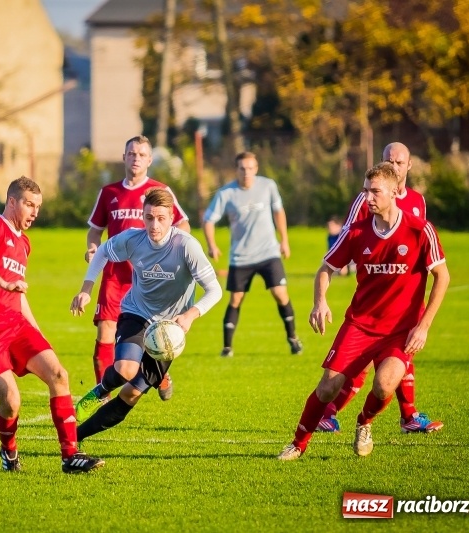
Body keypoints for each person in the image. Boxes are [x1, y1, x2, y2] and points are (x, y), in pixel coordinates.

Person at [277, 162, 450, 460]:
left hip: (400, 330)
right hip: (359, 325)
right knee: (328, 388)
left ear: (396, 191)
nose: (368, 198)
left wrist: (423, 326)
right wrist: (320, 302)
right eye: (365, 191)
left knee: (384, 386)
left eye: (375, 192)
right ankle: (297, 444)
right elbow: (325, 269)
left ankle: (364, 422)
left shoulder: (420, 230)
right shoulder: (356, 232)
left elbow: (442, 277)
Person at [0, 176, 104, 474]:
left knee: (59, 374)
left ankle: (70, 456)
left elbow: (19, 295)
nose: (34, 211)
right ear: (11, 202)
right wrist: (1, 281)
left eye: (38, 206)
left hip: (16, 325)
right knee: (11, 402)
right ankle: (8, 451)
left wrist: (37, 332)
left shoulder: (25, 243)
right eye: (29, 204)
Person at [71, 187, 222, 442]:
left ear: (172, 218)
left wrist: (190, 315)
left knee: (131, 393)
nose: (154, 225)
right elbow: (103, 252)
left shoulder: (186, 246)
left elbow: (215, 289)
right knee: (125, 369)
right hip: (136, 312)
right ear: (143, 216)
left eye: (161, 218)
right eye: (149, 217)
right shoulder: (133, 239)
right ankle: (102, 389)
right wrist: (86, 289)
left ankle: (75, 438)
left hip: (169, 330)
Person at [317, 142, 442, 434]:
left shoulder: (417, 201)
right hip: (373, 299)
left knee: (399, 360)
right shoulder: (367, 200)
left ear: (409, 166)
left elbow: (421, 247)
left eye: (399, 162)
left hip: (406, 301)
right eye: (388, 161)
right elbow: (349, 236)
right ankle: (331, 412)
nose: (394, 166)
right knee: (363, 364)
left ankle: (408, 416)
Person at [85, 135, 190, 400]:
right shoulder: (109, 193)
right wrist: (92, 247)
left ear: (150, 160)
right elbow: (95, 231)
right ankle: (102, 394)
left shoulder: (159, 191)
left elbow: (183, 224)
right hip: (114, 276)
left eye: (142, 154)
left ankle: (159, 371)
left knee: (153, 331)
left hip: (150, 277)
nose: (136, 158)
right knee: (105, 331)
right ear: (124, 157)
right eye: (131, 153)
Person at [202, 151, 303, 357]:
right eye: (242, 168)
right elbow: (208, 219)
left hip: (268, 252)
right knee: (236, 299)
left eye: (250, 168)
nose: (246, 172)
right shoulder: (226, 193)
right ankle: (227, 348)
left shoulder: (268, 186)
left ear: (256, 169)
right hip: (241, 256)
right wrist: (211, 244)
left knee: (280, 293)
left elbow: (278, 211)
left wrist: (284, 240)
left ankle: (293, 339)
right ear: (236, 170)